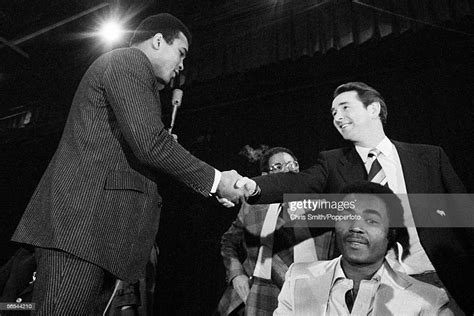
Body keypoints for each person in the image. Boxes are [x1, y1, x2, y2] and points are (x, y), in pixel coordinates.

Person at [11, 13, 245, 315]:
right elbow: (151, 144)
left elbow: (144, 147)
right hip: (79, 232)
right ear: (158, 41)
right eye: (181, 53)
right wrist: (217, 181)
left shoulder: (131, 74)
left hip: (94, 236)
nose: (182, 65)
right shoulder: (129, 62)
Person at [234, 82, 473, 314]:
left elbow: (465, 216)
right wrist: (253, 186)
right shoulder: (332, 163)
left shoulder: (429, 157)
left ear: (373, 109)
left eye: (345, 107)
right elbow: (298, 181)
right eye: (333, 112)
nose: (337, 117)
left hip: (439, 277)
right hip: (377, 286)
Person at [275, 181, 453, 315]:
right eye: (347, 216)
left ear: (391, 232)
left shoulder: (428, 300)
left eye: (371, 221)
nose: (356, 227)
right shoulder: (298, 277)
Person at [217, 147, 334, 315]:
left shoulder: (320, 203)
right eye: (278, 167)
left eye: (292, 164)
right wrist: (236, 275)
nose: (288, 170)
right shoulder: (252, 207)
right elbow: (228, 243)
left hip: (313, 295)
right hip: (260, 294)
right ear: (265, 177)